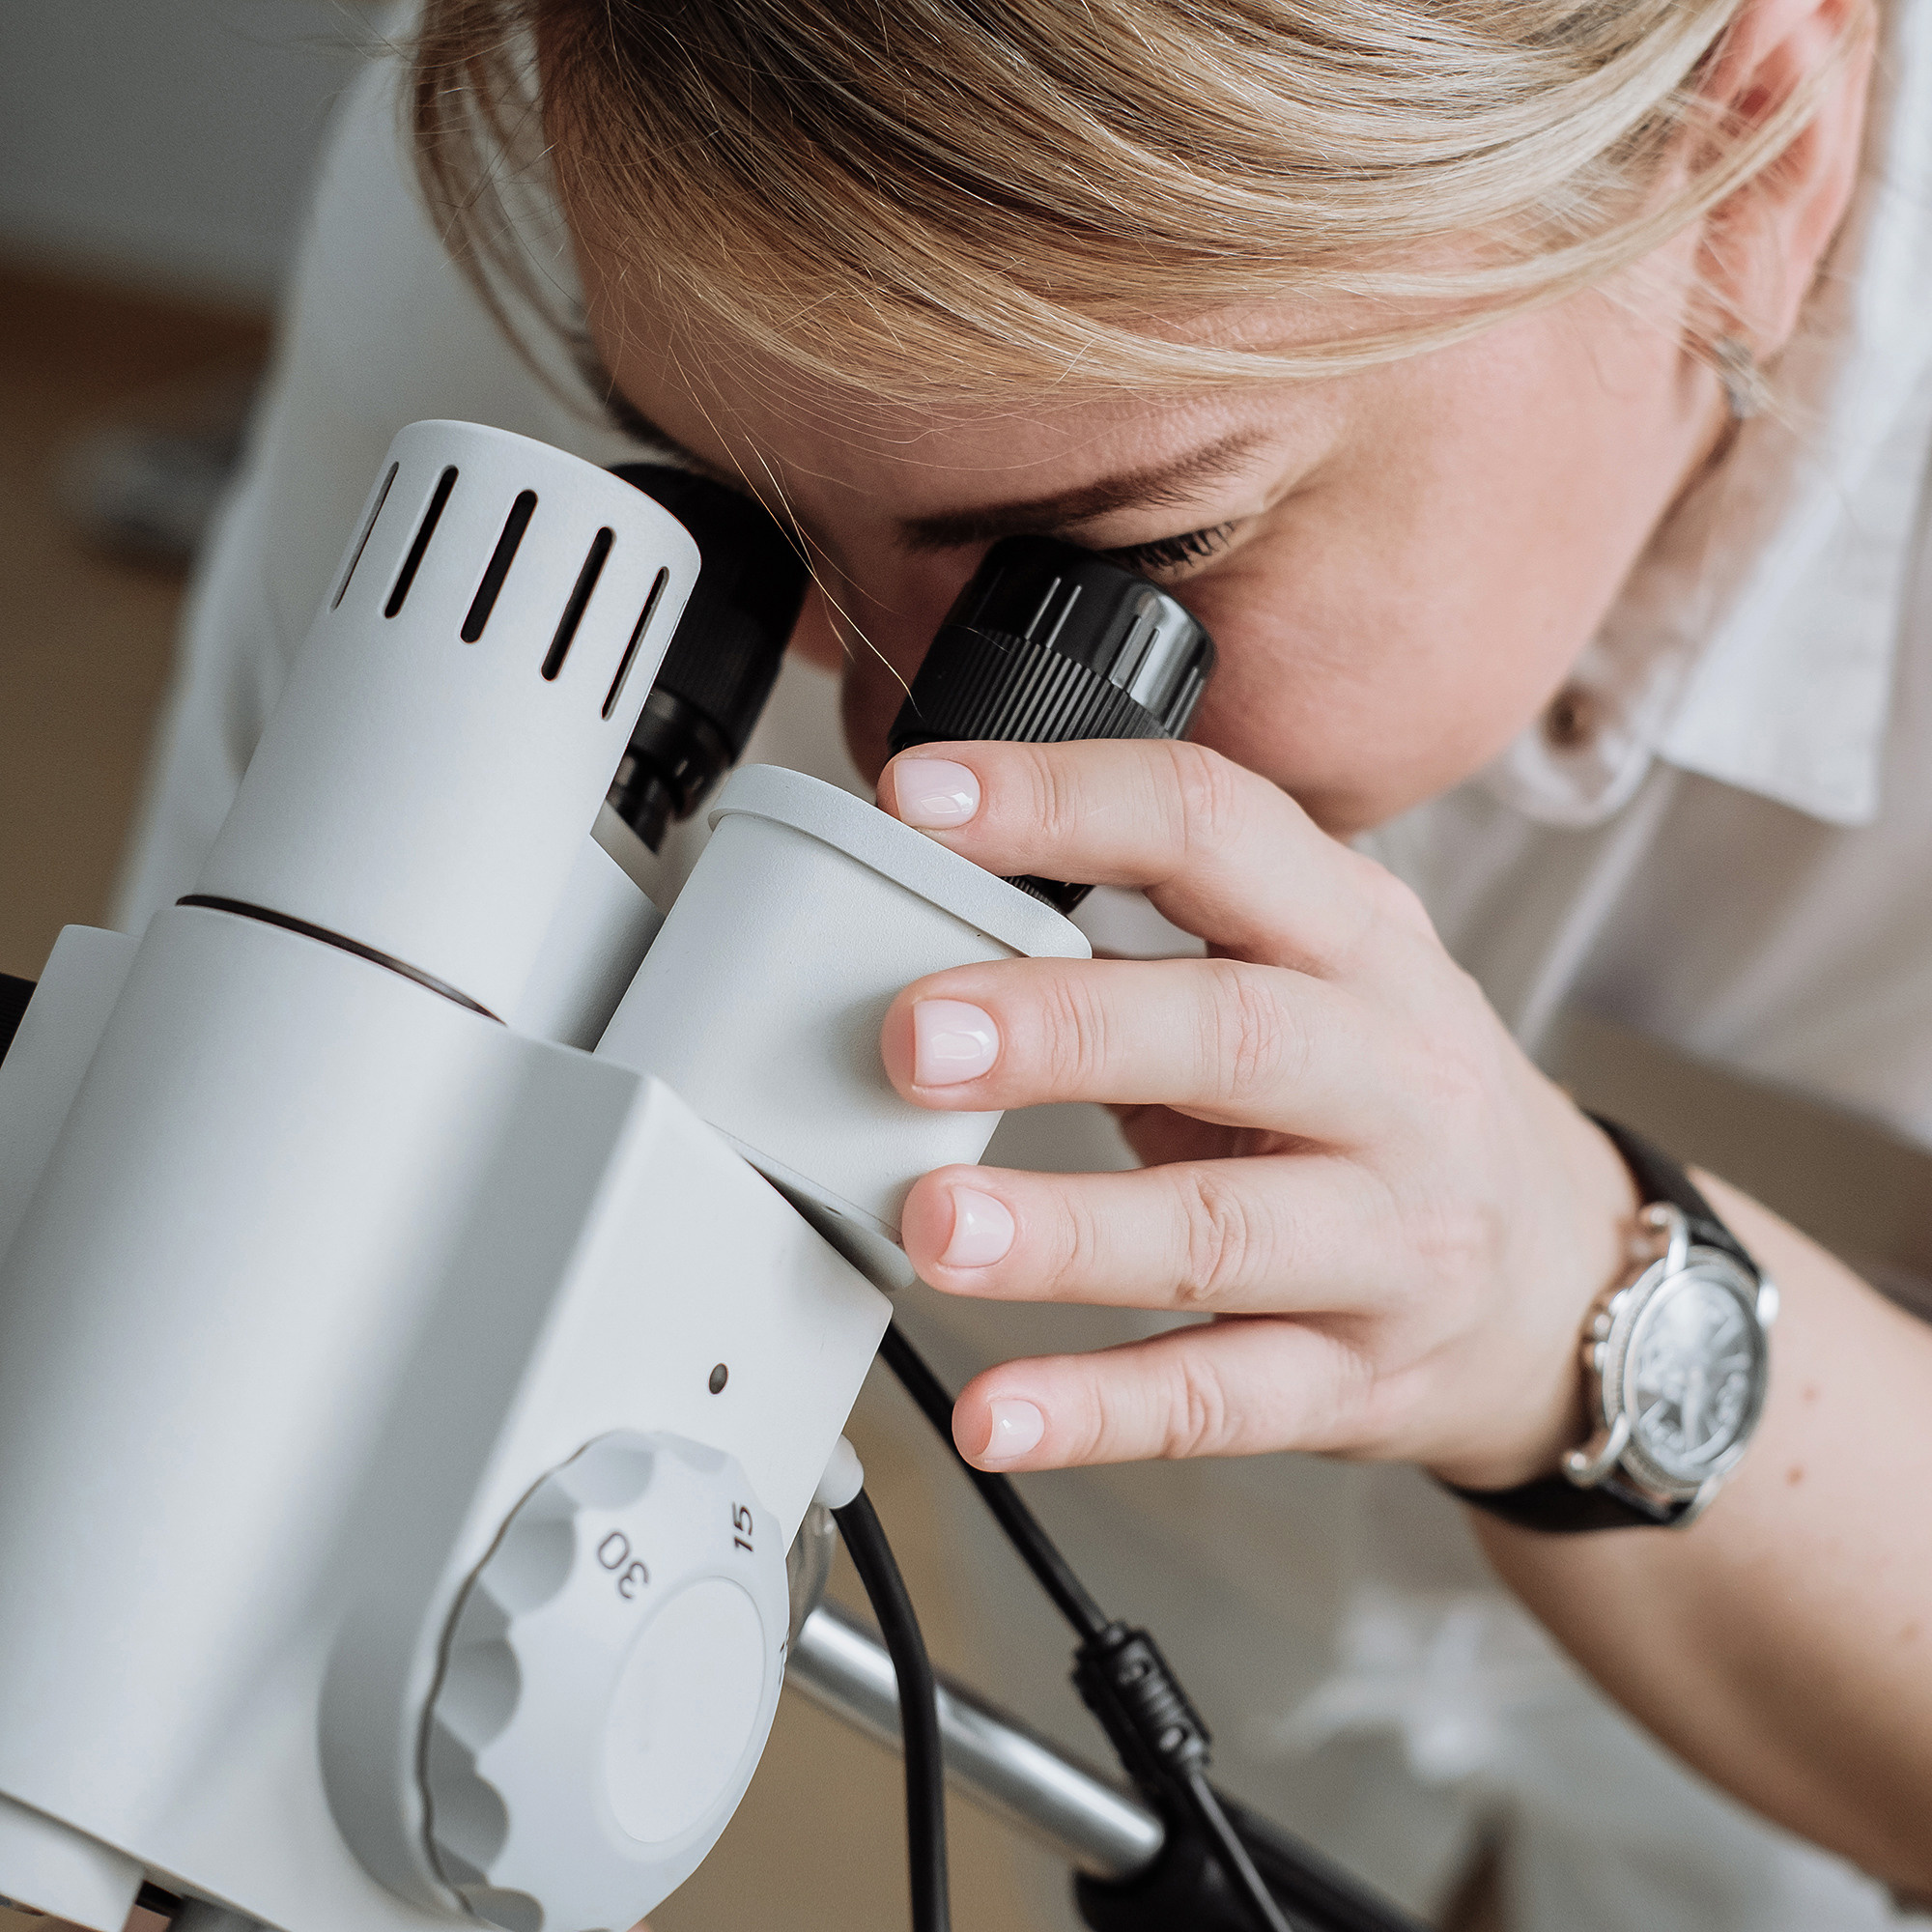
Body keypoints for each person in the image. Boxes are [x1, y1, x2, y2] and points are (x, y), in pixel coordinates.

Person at [116, 0, 1932, 1923]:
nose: (909, 759)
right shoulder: (577, 176)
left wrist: (1575, 1298)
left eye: (1118, 554)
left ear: (1744, 173)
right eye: (743, 510)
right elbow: (238, 1304)